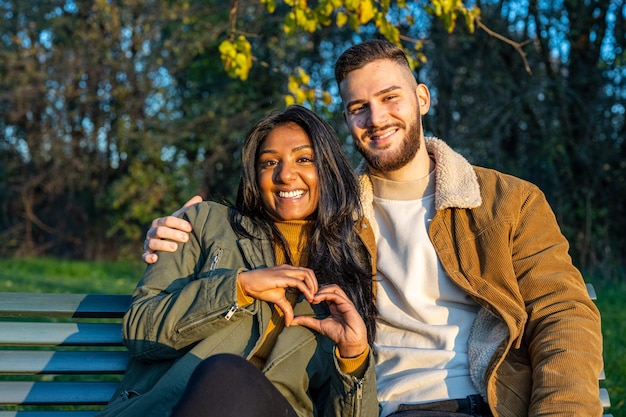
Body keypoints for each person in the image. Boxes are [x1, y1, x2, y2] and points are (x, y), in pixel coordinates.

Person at [143, 40, 604, 417]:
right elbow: (259, 212)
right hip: (377, 409)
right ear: (347, 120)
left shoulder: (507, 201)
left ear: (421, 98)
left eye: (390, 98)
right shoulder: (336, 216)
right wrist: (178, 227)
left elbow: (563, 313)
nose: (376, 119)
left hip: (485, 404)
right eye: (358, 107)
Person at [98, 105, 379, 417]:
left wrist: (353, 355)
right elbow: (141, 329)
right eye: (269, 162)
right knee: (226, 374)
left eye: (304, 159)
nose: (285, 175)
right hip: (173, 408)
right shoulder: (204, 224)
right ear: (254, 176)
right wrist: (238, 287)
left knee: (230, 376)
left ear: (328, 168)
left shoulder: (347, 269)